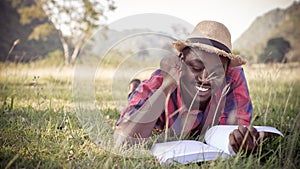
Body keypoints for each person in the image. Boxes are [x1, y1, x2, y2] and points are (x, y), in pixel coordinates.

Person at [114, 20, 260, 154]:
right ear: (181, 61)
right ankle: (134, 89)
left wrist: (241, 139)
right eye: (196, 67)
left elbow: (235, 130)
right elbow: (123, 141)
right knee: (137, 99)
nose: (204, 78)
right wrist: (165, 87)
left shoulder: (232, 78)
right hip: (157, 109)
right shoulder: (160, 79)